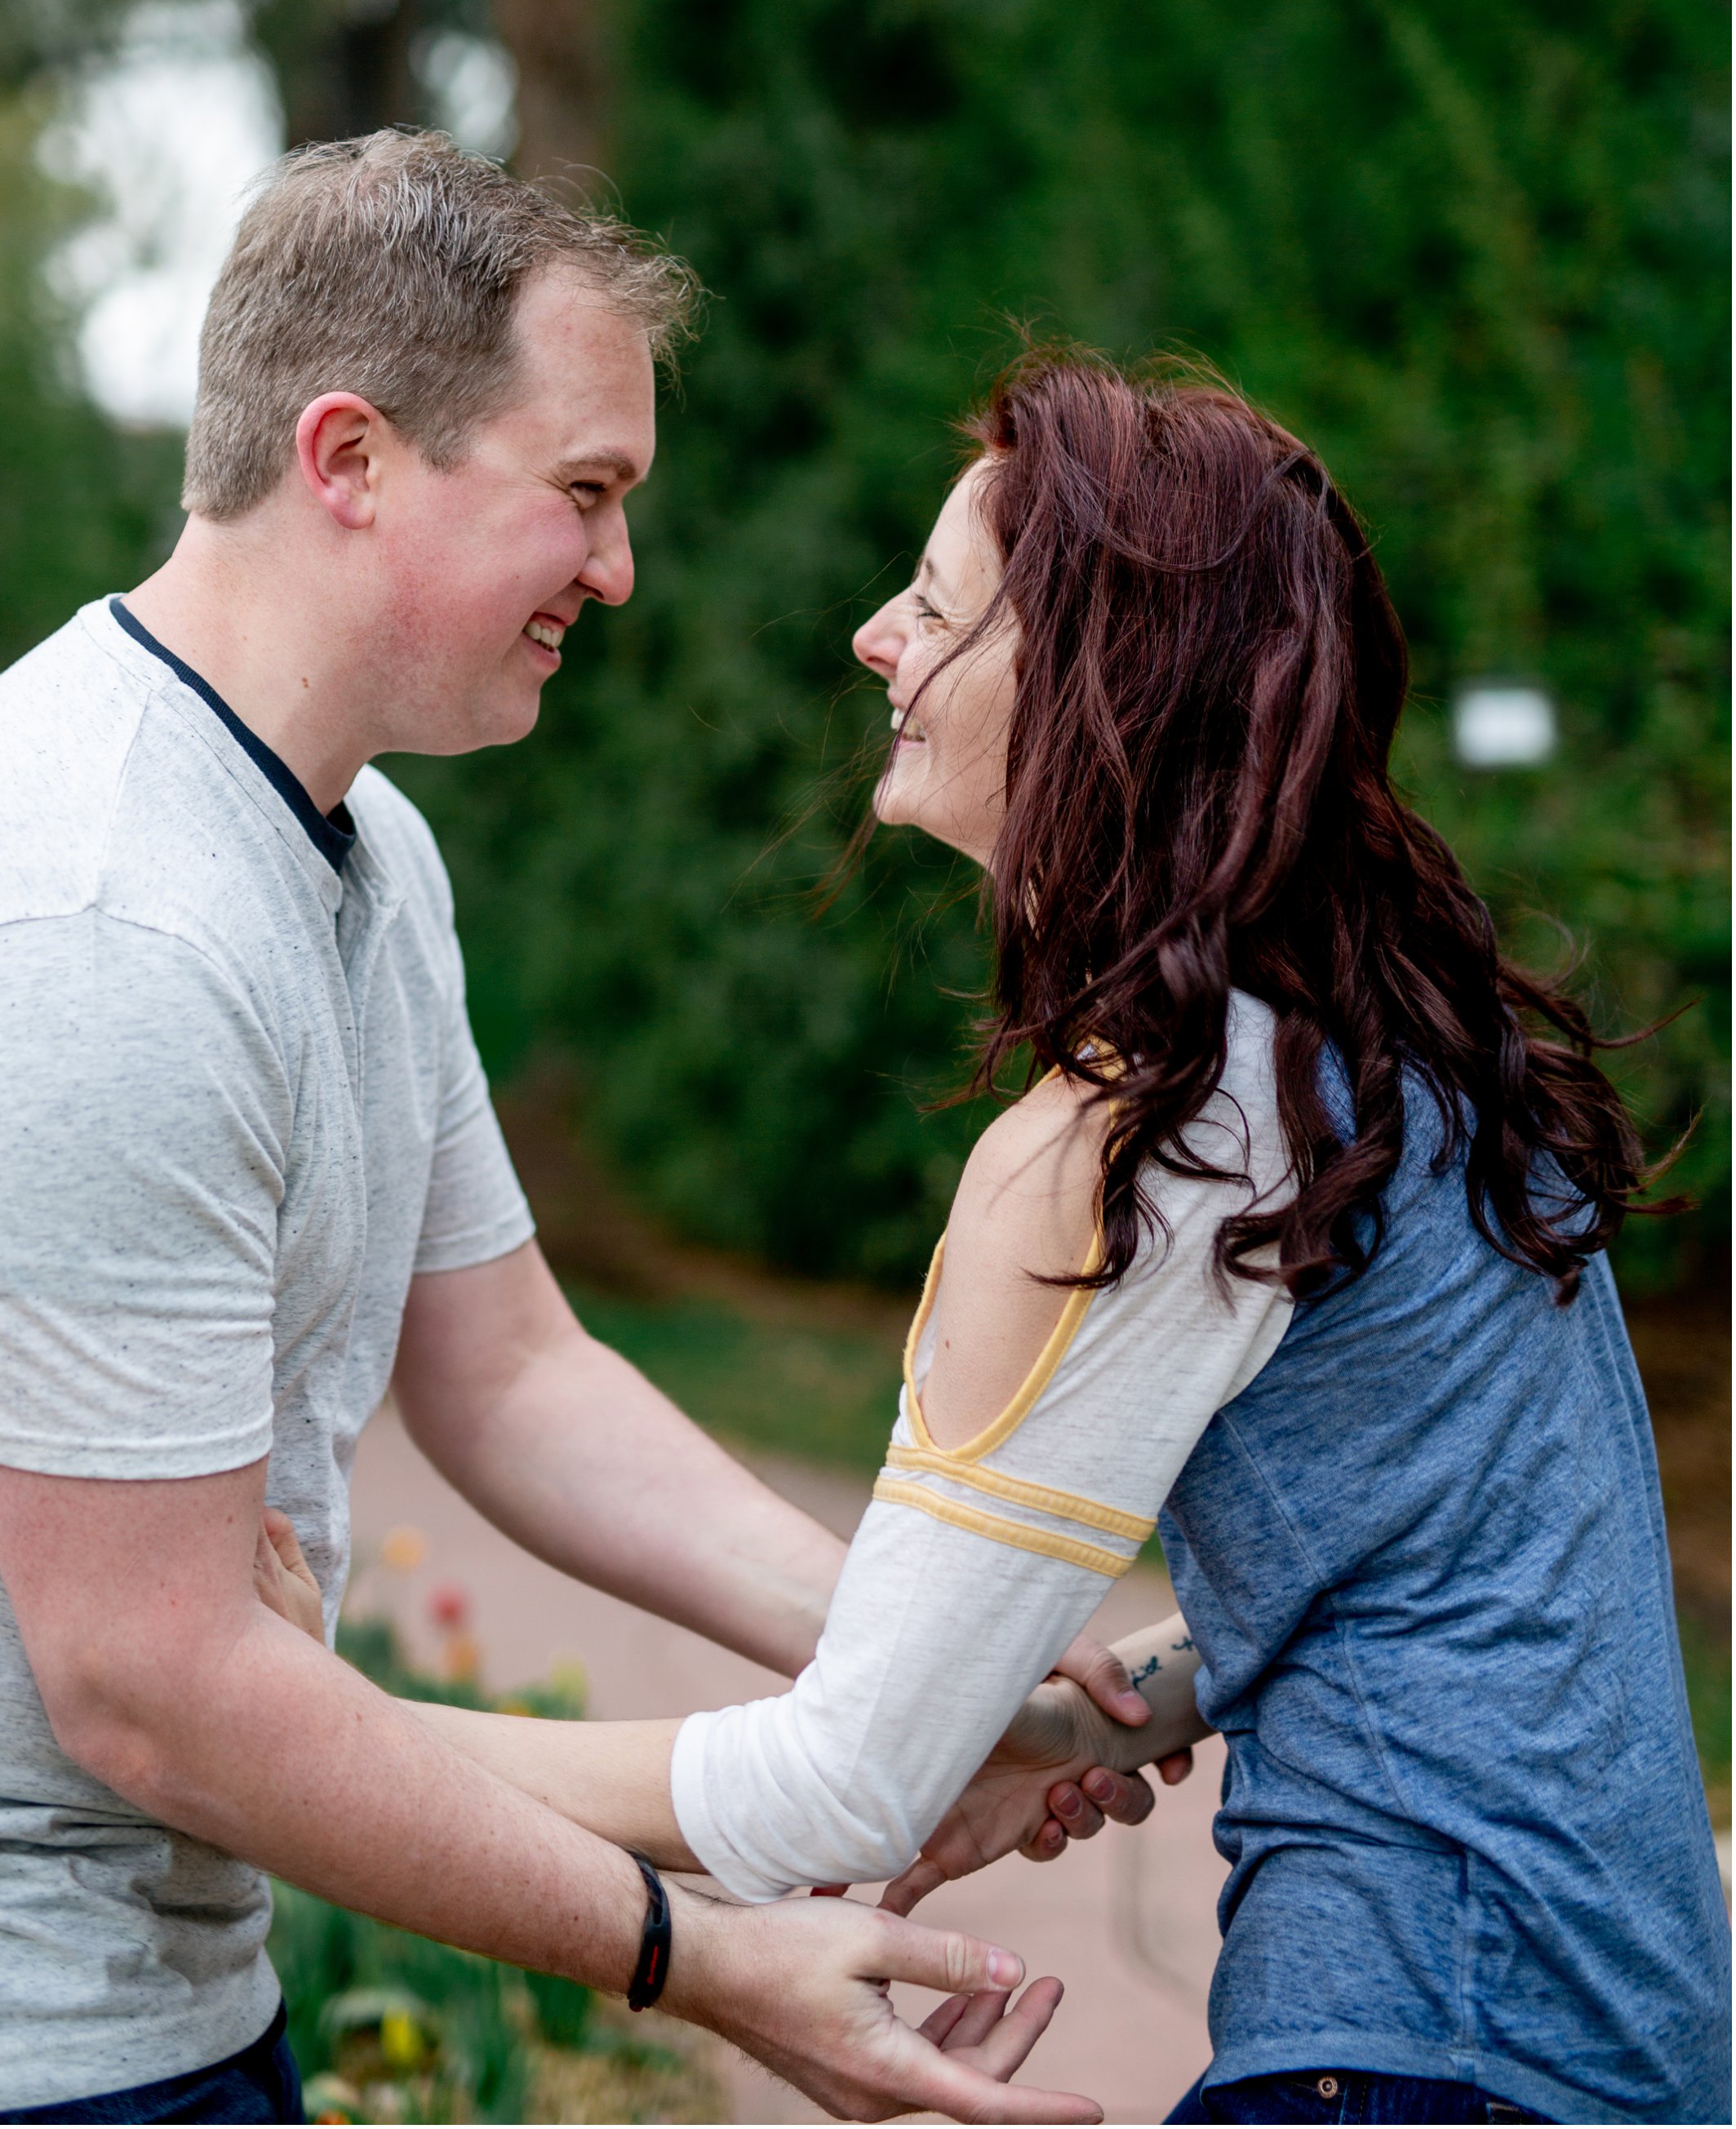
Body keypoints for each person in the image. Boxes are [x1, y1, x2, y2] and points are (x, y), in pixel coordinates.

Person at [0, 139, 1153, 2129]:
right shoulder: (81, 934)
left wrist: (927, 1679)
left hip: (158, 2006)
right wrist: (701, 1958)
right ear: (349, 460)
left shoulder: (362, 846)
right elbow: (157, 1688)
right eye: (584, 494)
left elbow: (510, 1375)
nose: (618, 570)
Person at [244, 354, 1729, 2128]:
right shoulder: (1382, 1048)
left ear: (1102, 687)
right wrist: (1106, 1708)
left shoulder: (1147, 1139)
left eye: (936, 608)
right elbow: (1440, 1560)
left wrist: (316, 1740)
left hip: (1429, 2053)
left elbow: (839, 1793)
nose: (876, 637)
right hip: (1612, 2044)